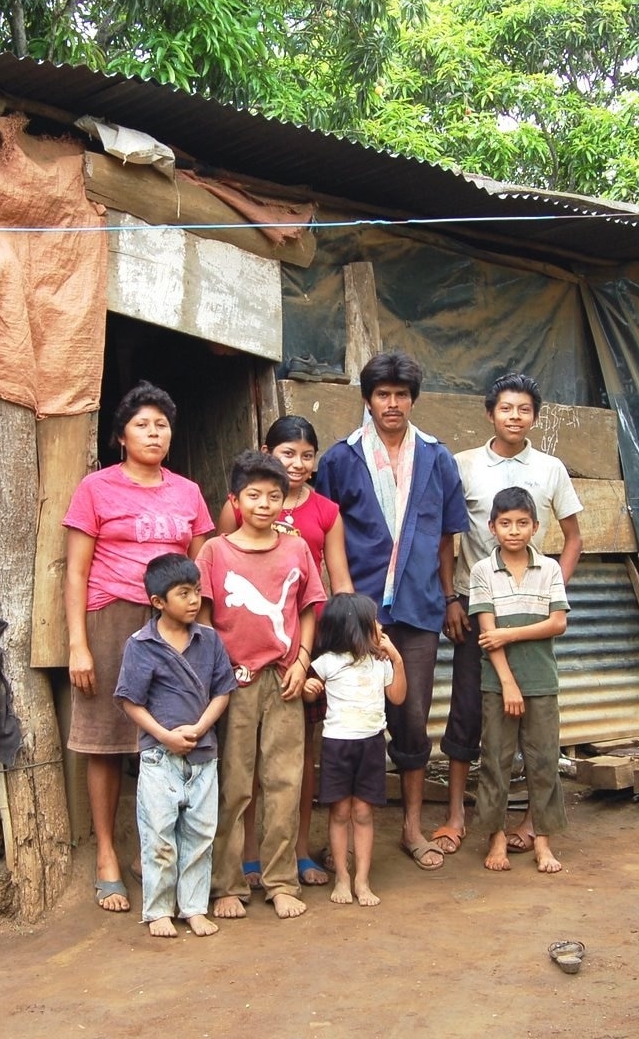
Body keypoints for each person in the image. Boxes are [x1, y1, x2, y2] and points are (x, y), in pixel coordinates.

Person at [63, 382, 215, 914]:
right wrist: (78, 644)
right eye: (142, 425)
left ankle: (152, 849)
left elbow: (199, 572)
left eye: (162, 425)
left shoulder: (188, 493)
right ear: (121, 436)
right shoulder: (96, 489)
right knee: (106, 739)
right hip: (111, 617)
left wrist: (203, 636)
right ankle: (107, 854)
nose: (154, 433)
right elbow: (76, 571)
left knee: (168, 737)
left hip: (171, 623)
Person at [314, 351, 469, 871]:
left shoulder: (436, 457)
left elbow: (446, 538)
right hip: (354, 614)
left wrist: (449, 597)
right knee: (347, 718)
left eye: (402, 395)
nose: (393, 404)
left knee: (411, 716)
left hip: (419, 608)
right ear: (368, 399)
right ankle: (342, 836)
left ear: (413, 400)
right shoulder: (341, 459)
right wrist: (341, 605)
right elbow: (326, 535)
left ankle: (410, 828)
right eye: (383, 394)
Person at [436, 372, 584, 858]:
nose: (514, 417)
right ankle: (457, 816)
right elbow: (446, 537)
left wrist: (552, 588)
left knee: (534, 715)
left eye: (524, 409)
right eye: (506, 408)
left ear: (535, 417)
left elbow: (574, 537)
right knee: (467, 710)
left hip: (530, 613)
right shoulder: (464, 464)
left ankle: (530, 822)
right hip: (474, 606)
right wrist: (450, 598)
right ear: (490, 413)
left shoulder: (551, 468)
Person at [218, 416, 354, 890]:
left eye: (306, 455)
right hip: (238, 668)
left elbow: (331, 588)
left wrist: (314, 655)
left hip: (295, 659)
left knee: (291, 765)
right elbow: (212, 595)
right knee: (239, 772)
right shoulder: (226, 531)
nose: (297, 463)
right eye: (287, 453)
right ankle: (241, 865)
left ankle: (291, 860)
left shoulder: (318, 521)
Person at [198, 450, 326, 919]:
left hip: (284, 679)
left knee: (285, 782)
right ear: (235, 500)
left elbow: (309, 608)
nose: (264, 505)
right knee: (233, 785)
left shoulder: (295, 549)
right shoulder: (214, 552)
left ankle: (281, 881)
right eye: (254, 496)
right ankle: (226, 883)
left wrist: (303, 662)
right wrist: (218, 673)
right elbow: (204, 618)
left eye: (274, 496)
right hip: (233, 683)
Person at [115, 553, 235, 938]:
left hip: (203, 753)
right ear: (158, 602)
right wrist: (165, 736)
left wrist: (200, 728)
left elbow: (223, 692)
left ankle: (194, 908)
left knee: (200, 835)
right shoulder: (141, 644)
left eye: (197, 590)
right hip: (158, 756)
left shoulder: (209, 639)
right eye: (183, 593)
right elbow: (130, 701)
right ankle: (158, 911)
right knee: (159, 836)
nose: (194, 600)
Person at [468, 487, 570, 875]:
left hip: (542, 679)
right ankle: (495, 837)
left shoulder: (550, 569)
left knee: (544, 760)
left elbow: (557, 623)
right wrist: (508, 683)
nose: (514, 531)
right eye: (506, 523)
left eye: (522, 523)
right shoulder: (482, 571)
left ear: (536, 527)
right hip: (498, 683)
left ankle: (542, 840)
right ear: (492, 527)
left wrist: (509, 635)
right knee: (496, 759)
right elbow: (487, 634)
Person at [309, 593, 407, 907]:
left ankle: (362, 880)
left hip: (371, 744)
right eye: (373, 621)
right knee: (339, 812)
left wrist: (397, 660)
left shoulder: (381, 662)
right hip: (337, 745)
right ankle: (342, 876)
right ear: (355, 628)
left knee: (363, 812)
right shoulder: (327, 662)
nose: (380, 626)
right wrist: (310, 689)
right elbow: (308, 694)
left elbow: (398, 697)